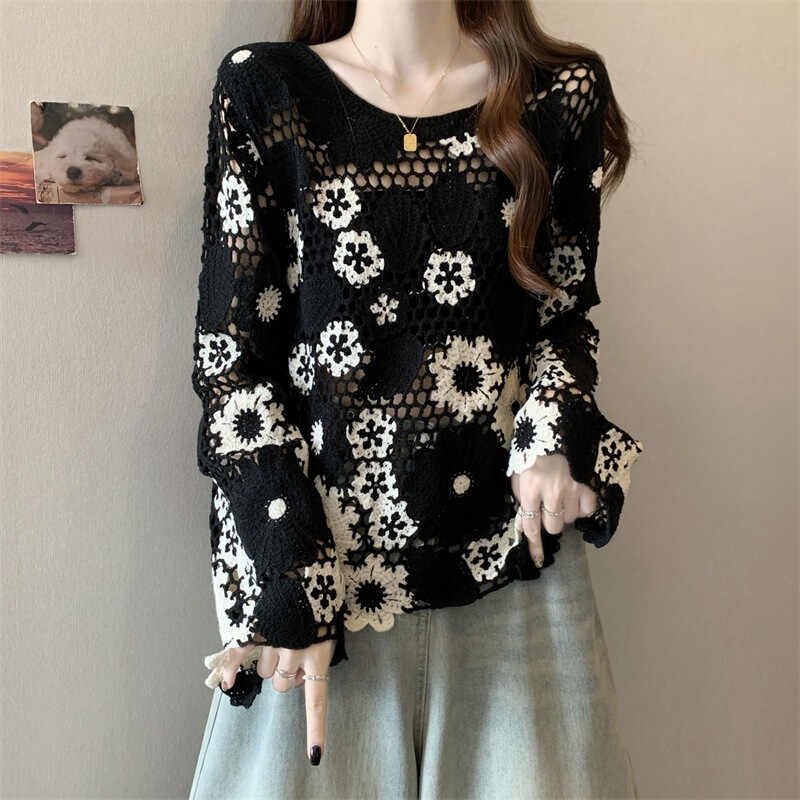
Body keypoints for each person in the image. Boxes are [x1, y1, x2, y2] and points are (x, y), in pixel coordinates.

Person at [189, 0, 644, 797]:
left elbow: (563, 315)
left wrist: (552, 432)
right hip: (321, 582)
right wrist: (292, 571)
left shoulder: (557, 94)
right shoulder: (266, 91)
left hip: (516, 569)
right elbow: (233, 364)